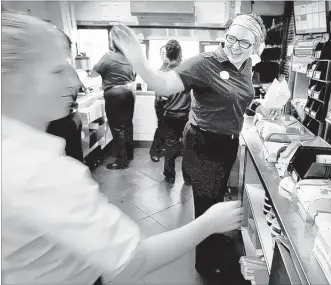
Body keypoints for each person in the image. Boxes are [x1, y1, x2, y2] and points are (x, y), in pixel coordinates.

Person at [2, 11, 244, 285]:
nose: (74, 83)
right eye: (57, 70)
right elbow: (133, 260)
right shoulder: (42, 175)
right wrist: (210, 222)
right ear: (11, 80)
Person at [112, 13, 281, 279]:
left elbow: (239, 95)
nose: (235, 46)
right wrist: (138, 59)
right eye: (231, 38)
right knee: (206, 206)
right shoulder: (204, 64)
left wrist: (257, 105)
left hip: (227, 143)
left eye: (244, 43)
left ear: (256, 46)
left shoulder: (246, 64)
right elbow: (164, 85)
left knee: (213, 200)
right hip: (204, 142)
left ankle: (212, 248)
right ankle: (205, 264)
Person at [91, 26, 137, 170]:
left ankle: (121, 161)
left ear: (113, 40)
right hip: (129, 92)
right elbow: (134, 75)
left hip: (114, 94)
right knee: (128, 125)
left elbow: (93, 73)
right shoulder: (132, 57)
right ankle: (129, 155)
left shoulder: (108, 56)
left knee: (117, 128)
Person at [46, 29, 84, 162]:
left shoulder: (49, 68)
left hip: (59, 122)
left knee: (61, 161)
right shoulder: (68, 67)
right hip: (72, 117)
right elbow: (76, 89)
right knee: (75, 158)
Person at [160, 40, 192, 184]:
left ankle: (170, 175)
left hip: (169, 114)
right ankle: (187, 177)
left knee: (170, 144)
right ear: (180, 54)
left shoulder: (163, 73)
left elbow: (161, 98)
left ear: (167, 54)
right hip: (185, 115)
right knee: (187, 146)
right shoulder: (186, 71)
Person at [149, 45, 170, 162]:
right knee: (162, 127)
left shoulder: (176, 69)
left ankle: (165, 149)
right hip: (161, 103)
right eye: (162, 53)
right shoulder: (159, 71)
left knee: (170, 128)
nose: (165, 55)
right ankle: (155, 151)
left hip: (172, 104)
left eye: (167, 52)